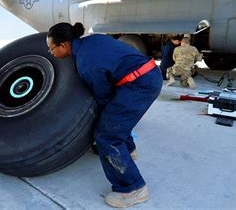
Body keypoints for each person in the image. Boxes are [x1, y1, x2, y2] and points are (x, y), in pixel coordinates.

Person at [47, 22, 162, 208]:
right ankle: (129, 151)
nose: (50, 53)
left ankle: (133, 189)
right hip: (146, 75)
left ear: (63, 45)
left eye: (51, 49)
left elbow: (104, 97)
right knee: (116, 121)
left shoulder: (86, 64)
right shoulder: (92, 41)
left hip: (140, 84)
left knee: (106, 135)